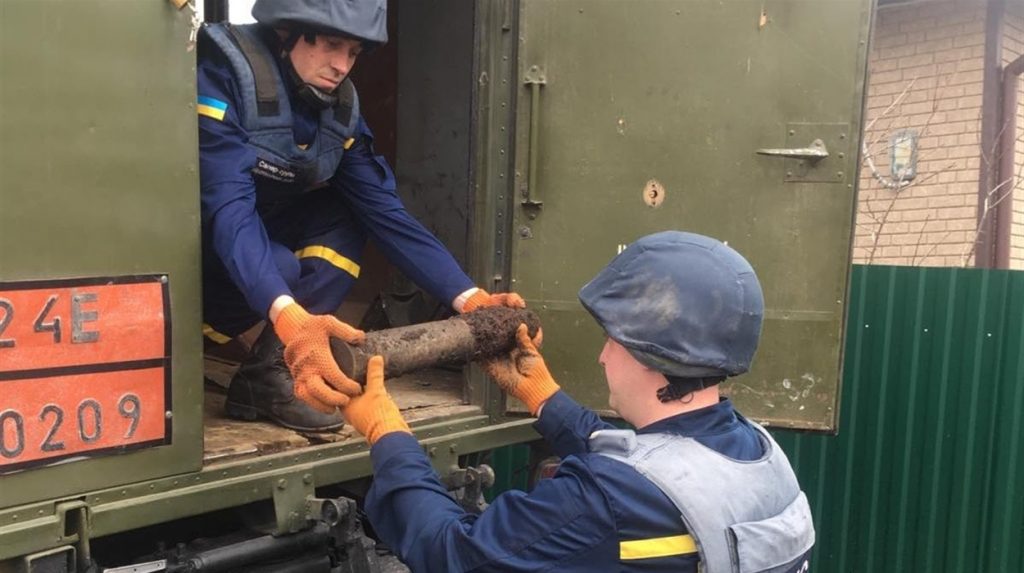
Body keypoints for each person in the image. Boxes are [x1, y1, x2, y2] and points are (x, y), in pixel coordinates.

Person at [339, 231, 816, 572]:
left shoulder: (605, 502)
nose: (604, 355)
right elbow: (653, 471)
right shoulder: (757, 451)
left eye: (614, 340)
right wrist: (542, 396)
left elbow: (454, 554)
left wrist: (389, 436)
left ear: (653, 355)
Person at [196, 0, 522, 432]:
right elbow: (228, 208)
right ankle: (288, 338)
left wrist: (468, 298)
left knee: (346, 211)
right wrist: (286, 311)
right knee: (279, 265)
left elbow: (387, 215)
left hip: (252, 262)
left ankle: (268, 373)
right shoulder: (224, 76)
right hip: (198, 276)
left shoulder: (338, 111)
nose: (342, 66)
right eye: (332, 45)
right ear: (287, 32)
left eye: (352, 53)